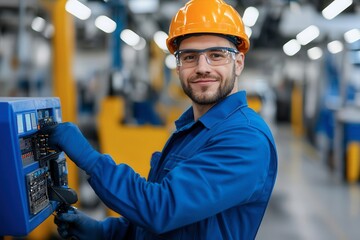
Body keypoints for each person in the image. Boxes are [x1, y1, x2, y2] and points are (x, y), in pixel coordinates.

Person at [51, 0, 278, 239]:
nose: (202, 67)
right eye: (190, 57)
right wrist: (104, 232)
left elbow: (161, 208)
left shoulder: (245, 138)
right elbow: (173, 224)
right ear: (178, 66)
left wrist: (90, 159)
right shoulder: (192, 130)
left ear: (238, 62)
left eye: (216, 55)